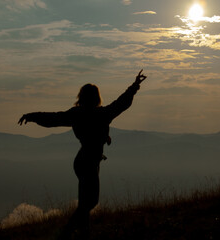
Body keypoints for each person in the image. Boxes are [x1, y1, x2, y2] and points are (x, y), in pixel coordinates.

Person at [18, 70, 147, 237]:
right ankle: (67, 232)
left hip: (82, 161)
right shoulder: (102, 114)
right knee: (90, 201)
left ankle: (82, 232)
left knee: (86, 202)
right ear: (96, 97)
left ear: (81, 96)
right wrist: (135, 85)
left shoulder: (77, 114)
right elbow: (121, 103)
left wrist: (31, 116)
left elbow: (53, 118)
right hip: (89, 161)